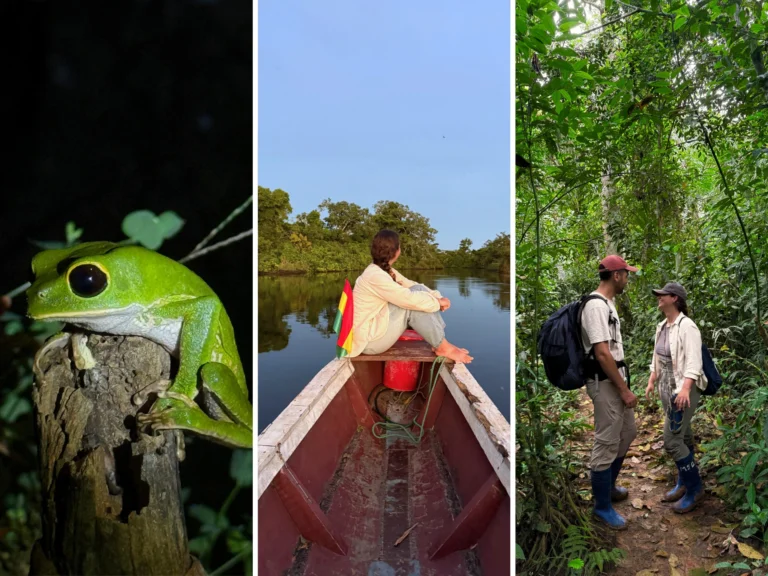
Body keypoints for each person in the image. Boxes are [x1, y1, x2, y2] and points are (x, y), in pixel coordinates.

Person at [350, 230, 473, 364]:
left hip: (374, 330)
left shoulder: (383, 270)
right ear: (397, 251)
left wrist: (438, 297)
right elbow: (409, 300)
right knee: (412, 305)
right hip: (368, 342)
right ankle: (442, 346)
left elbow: (413, 285)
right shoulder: (375, 276)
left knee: (417, 291)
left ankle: (439, 342)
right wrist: (437, 303)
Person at [581, 255, 638, 530]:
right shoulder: (595, 306)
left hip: (615, 381)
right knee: (605, 442)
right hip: (605, 383)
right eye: (626, 274)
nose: (628, 278)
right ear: (616, 275)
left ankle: (610, 486)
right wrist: (624, 390)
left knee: (628, 433)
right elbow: (603, 353)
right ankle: (601, 507)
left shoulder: (608, 304)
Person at [645, 282, 706, 514]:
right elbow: (657, 358)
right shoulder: (662, 326)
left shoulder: (687, 326)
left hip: (684, 391)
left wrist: (685, 389)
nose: (658, 298)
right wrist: (652, 380)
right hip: (666, 389)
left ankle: (695, 488)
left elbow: (694, 362)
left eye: (663, 295)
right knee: (684, 435)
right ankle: (683, 482)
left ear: (674, 299)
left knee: (672, 440)